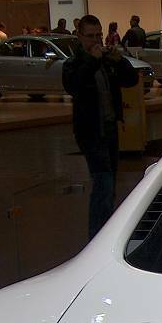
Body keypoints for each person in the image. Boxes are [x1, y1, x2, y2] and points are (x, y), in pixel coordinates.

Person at [62, 14, 138, 238]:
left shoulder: (106, 61)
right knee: (103, 181)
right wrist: (92, 61)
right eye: (90, 36)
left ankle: (105, 230)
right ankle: (97, 236)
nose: (95, 40)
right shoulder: (73, 64)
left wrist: (119, 61)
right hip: (90, 131)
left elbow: (131, 80)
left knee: (109, 183)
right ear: (79, 36)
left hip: (110, 128)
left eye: (98, 35)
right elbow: (75, 86)